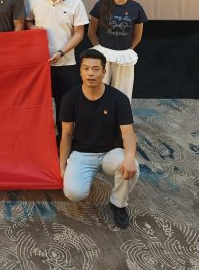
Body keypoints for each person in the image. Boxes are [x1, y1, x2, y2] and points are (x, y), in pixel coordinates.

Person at [59, 48, 139, 229]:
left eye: (96, 69)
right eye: (86, 68)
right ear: (80, 71)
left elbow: (128, 133)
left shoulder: (119, 99)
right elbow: (66, 134)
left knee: (132, 167)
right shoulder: (70, 98)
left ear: (104, 72)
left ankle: (118, 204)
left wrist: (129, 157)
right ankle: (83, 176)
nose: (90, 73)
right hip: (82, 153)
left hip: (111, 152)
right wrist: (62, 165)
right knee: (74, 193)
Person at [26, 0, 89, 146]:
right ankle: (43, 143)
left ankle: (64, 142)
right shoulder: (34, 0)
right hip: (41, 64)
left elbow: (79, 33)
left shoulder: (76, 3)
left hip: (66, 63)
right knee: (41, 105)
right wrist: (35, 29)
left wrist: (61, 52)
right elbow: (27, 22)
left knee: (65, 106)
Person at [87, 0, 147, 100]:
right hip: (103, 55)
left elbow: (137, 37)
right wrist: (98, 51)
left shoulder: (136, 8)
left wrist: (127, 51)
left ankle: (120, 113)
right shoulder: (100, 5)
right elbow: (91, 32)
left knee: (122, 93)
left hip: (124, 57)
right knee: (98, 90)